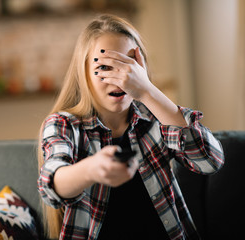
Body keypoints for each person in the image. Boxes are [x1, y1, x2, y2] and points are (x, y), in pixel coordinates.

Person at [37, 14, 224, 240]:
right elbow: (51, 185)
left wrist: (147, 91)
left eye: (128, 66)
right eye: (105, 67)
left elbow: (210, 160)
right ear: (84, 72)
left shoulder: (157, 120)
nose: (120, 79)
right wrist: (91, 169)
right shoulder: (64, 124)